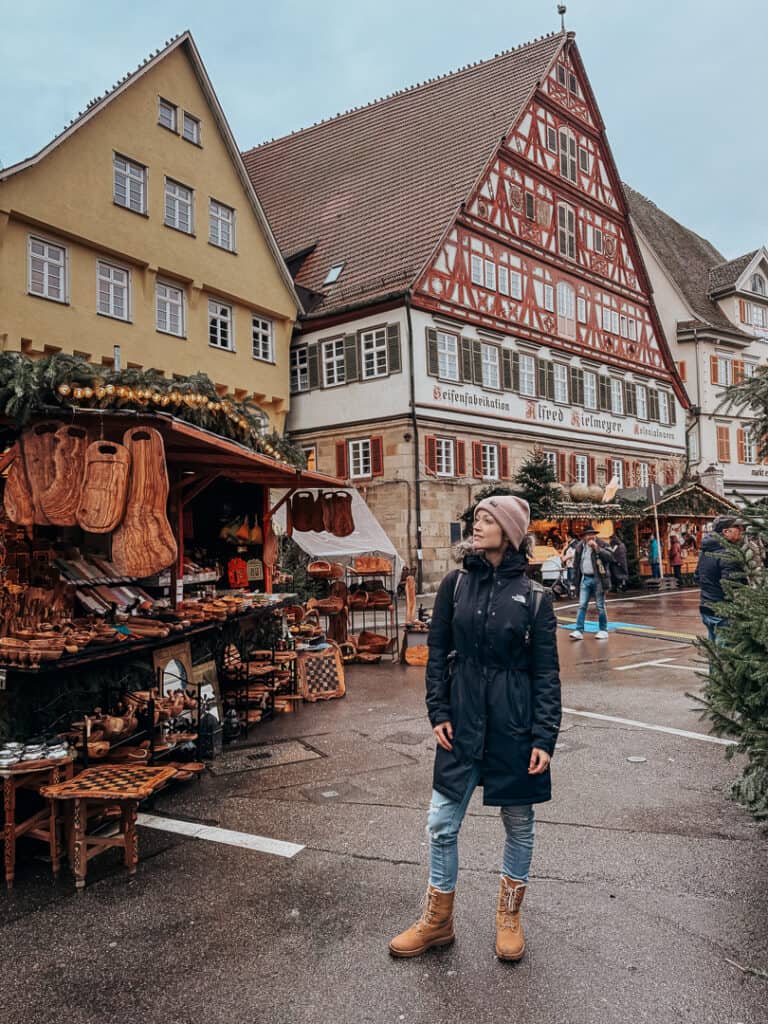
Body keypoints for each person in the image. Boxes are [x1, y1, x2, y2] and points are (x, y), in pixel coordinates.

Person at [389, 496, 561, 962]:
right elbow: (437, 649)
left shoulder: (535, 597)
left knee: (519, 823)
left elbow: (546, 673)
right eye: (477, 518)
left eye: (487, 520)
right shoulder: (455, 584)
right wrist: (437, 711)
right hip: (462, 719)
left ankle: (509, 918)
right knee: (441, 822)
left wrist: (545, 736)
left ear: (510, 533)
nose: (477, 525)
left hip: (515, 722)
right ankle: (437, 921)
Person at [694, 516, 744, 642]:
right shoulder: (728, 554)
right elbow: (731, 587)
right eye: (737, 527)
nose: (741, 530)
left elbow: (697, 576)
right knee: (725, 655)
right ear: (725, 532)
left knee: (715, 654)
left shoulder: (705, 550)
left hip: (706, 608)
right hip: (723, 613)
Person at [569, 526, 614, 640]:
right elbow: (576, 565)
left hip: (598, 579)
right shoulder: (580, 547)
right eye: (588, 534)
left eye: (592, 534)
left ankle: (603, 630)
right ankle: (579, 630)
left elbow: (610, 557)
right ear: (584, 537)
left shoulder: (602, 544)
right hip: (585, 579)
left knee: (600, 606)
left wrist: (597, 548)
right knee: (582, 605)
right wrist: (574, 581)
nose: (590, 536)